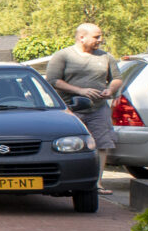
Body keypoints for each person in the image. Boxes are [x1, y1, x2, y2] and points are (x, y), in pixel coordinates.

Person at [45, 23, 122, 180]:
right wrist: (80, 91)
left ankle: (98, 183)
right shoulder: (63, 56)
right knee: (69, 146)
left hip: (98, 108)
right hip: (70, 110)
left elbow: (117, 79)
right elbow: (53, 80)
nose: (100, 40)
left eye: (100, 36)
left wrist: (111, 90)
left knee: (102, 144)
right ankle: (69, 180)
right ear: (81, 37)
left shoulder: (105, 57)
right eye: (96, 37)